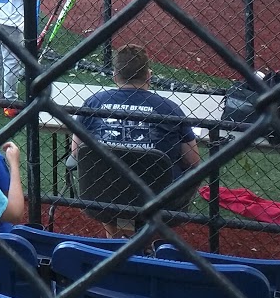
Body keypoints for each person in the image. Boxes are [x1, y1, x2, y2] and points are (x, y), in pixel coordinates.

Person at [71, 43, 200, 237]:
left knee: (109, 177)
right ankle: (145, 246)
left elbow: (76, 153)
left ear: (115, 76)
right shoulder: (170, 108)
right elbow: (193, 161)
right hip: (157, 199)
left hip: (103, 196)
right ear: (149, 75)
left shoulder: (93, 103)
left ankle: (116, 241)